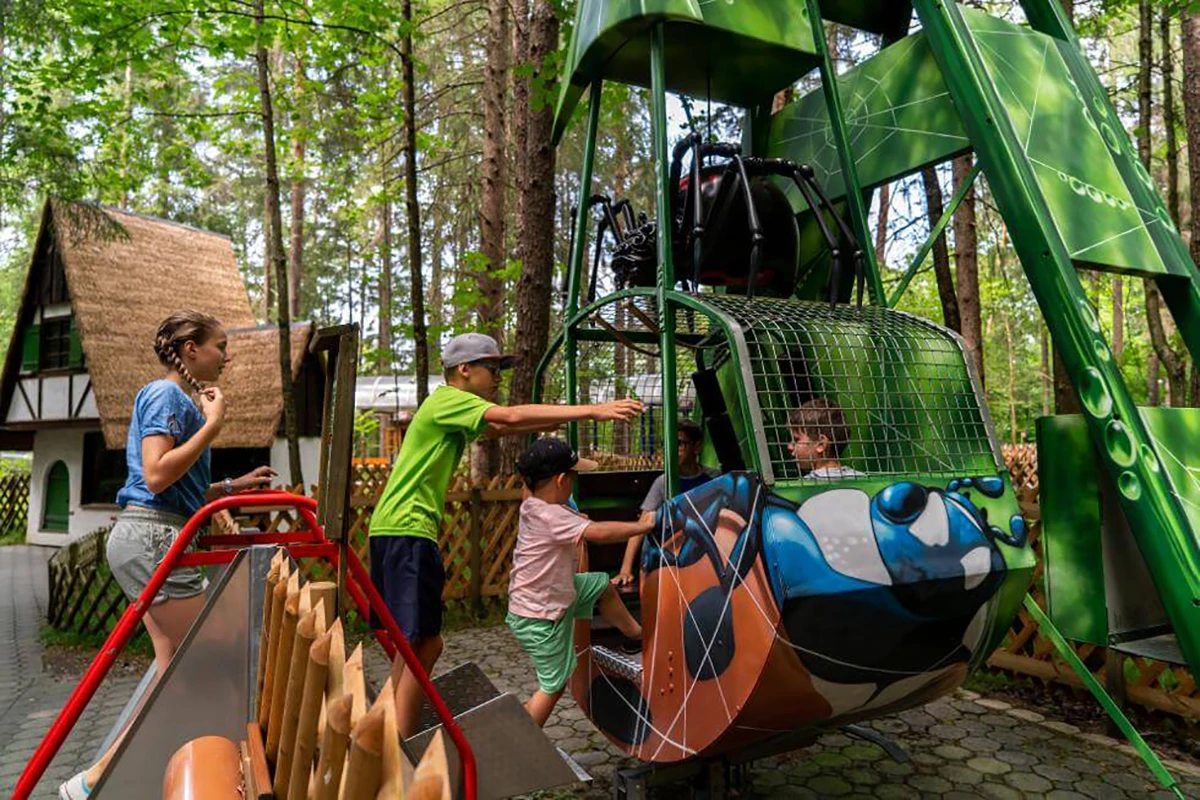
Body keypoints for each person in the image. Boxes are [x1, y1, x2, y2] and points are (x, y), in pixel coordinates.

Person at [369, 332, 644, 738]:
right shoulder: (448, 399)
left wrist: (556, 420)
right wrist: (593, 411)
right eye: (492, 368)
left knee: (428, 646)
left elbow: (501, 429)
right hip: (406, 529)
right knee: (418, 649)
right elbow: (510, 418)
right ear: (464, 370)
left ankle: (387, 733)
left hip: (404, 531)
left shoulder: (452, 413)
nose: (497, 378)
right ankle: (400, 754)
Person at [60, 311, 276, 800]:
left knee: (175, 669)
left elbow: (178, 485)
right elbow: (157, 476)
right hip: (153, 537)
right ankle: (101, 778)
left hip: (158, 532)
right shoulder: (165, 396)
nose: (227, 354)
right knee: (206, 656)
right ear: (190, 349)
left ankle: (107, 777)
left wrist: (229, 486)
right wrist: (214, 425)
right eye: (220, 345)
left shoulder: (180, 401)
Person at [508, 437, 650, 726]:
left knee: (600, 585)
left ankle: (638, 634)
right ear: (561, 480)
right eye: (572, 478)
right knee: (553, 686)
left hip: (551, 596)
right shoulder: (550, 515)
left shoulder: (534, 506)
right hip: (541, 617)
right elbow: (598, 533)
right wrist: (643, 526)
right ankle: (517, 743)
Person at [612, 418, 718, 587]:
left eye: (681, 443)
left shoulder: (714, 479)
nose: (674, 450)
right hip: (674, 554)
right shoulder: (664, 482)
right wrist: (625, 569)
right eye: (670, 444)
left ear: (697, 447)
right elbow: (642, 524)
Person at [788, 397, 864, 479]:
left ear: (821, 444)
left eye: (796, 439)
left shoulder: (806, 485)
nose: (790, 446)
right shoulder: (861, 478)